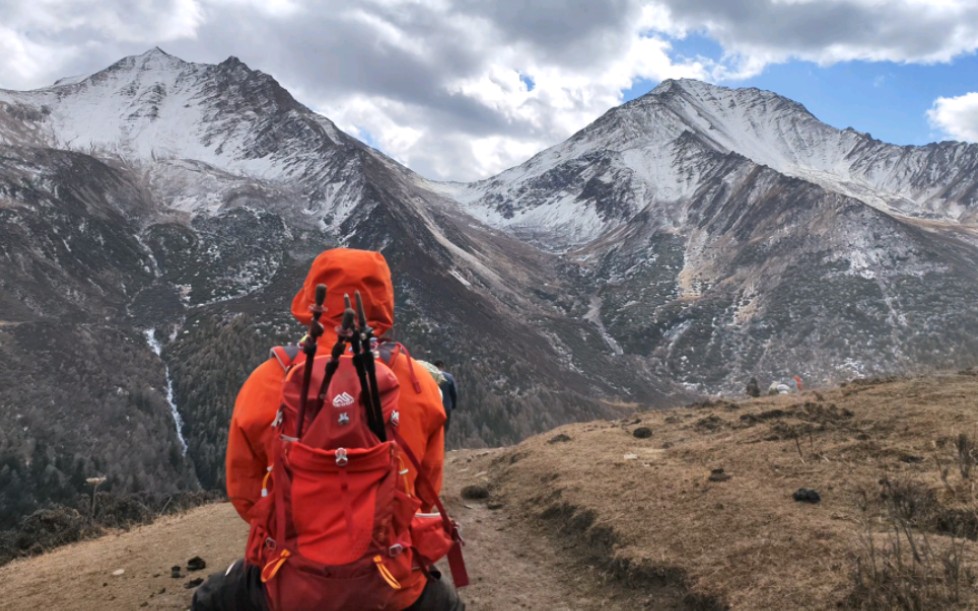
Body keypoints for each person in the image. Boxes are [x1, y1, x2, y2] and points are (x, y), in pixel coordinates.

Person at [193, 248, 463, 610]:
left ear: (310, 298)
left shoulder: (267, 380)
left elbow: (244, 496)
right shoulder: (418, 385)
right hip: (390, 581)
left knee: (209, 600)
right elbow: (426, 494)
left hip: (288, 582)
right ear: (383, 301)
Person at [433, 361, 457, 432]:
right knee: (444, 429)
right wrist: (453, 405)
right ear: (443, 367)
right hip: (446, 407)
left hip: (435, 406)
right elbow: (454, 392)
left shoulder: (431, 376)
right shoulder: (449, 377)